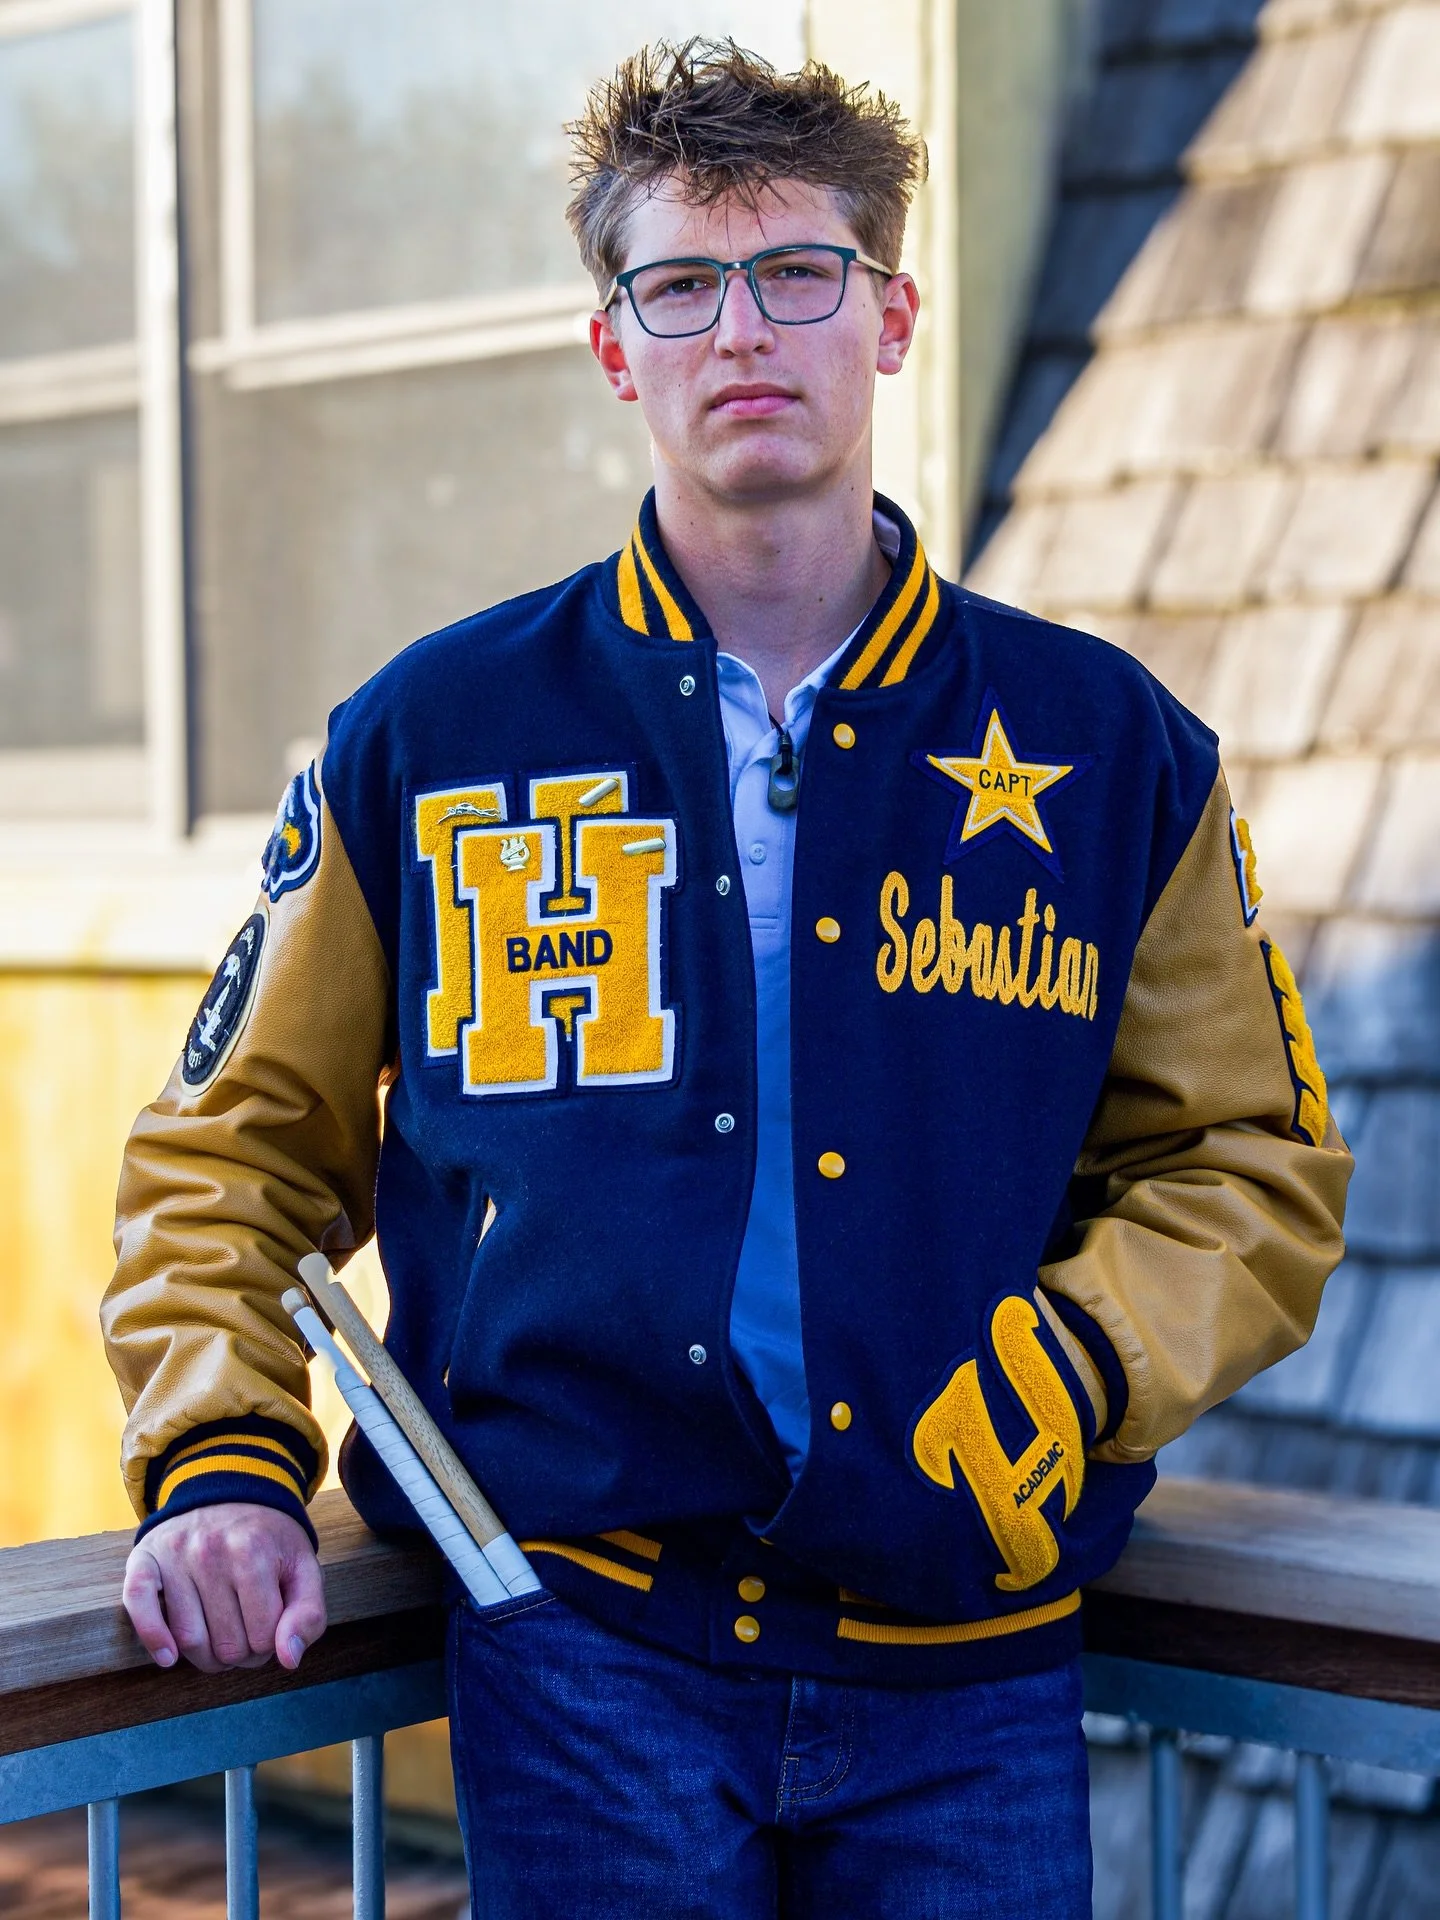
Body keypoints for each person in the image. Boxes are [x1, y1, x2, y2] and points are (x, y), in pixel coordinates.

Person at [103, 39, 1351, 1918]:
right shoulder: (432, 738)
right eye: (680, 284)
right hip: (577, 1656)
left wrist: (1081, 1364)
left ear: (892, 315)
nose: (740, 330)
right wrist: (221, 1460)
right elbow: (229, 1154)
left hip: (973, 1663)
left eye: (798, 274)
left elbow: (1254, 1164)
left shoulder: (1111, 750)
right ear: (618, 344)